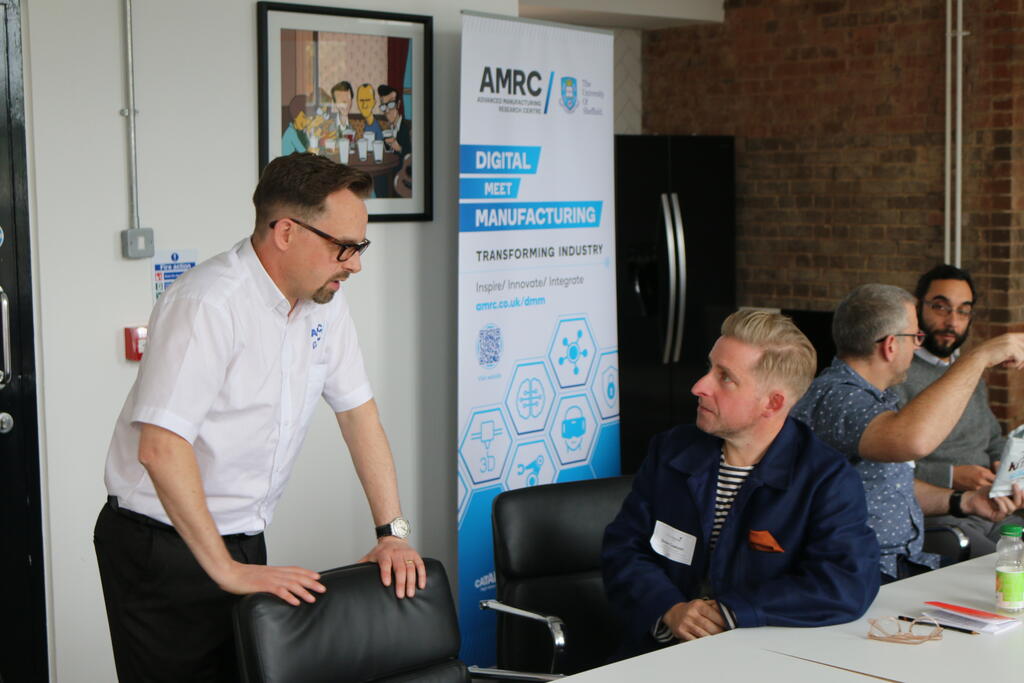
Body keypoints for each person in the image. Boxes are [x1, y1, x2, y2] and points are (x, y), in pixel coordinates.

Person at [94, 153, 426, 682]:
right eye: (345, 247)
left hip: (243, 537)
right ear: (286, 232)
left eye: (360, 246)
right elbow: (160, 447)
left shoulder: (324, 303)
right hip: (160, 545)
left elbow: (359, 415)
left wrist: (393, 532)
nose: (355, 264)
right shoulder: (209, 304)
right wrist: (223, 569)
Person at [603, 310, 879, 660]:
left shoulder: (826, 479)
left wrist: (730, 612)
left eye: (725, 378)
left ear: (773, 403)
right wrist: (669, 609)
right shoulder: (671, 450)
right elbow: (624, 548)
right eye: (709, 368)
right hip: (655, 654)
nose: (699, 386)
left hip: (764, 659)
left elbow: (845, 584)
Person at [792, 284, 1024, 584]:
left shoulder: (873, 397)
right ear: (890, 345)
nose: (918, 346)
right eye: (916, 337)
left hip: (904, 564)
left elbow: (894, 487)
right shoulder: (838, 396)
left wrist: (963, 501)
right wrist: (979, 357)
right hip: (862, 574)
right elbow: (913, 441)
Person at [894, 265, 1024, 555]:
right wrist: (952, 475)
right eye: (941, 307)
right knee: (999, 573)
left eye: (963, 311)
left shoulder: (966, 371)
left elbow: (992, 439)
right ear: (918, 307)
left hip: (994, 509)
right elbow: (884, 468)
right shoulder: (897, 374)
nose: (952, 321)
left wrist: (1011, 470)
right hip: (942, 515)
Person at [378, 84, 411, 156]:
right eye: (383, 106)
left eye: (390, 104)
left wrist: (399, 148)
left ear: (398, 104)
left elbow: (414, 156)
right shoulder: (387, 128)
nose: (387, 110)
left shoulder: (408, 128)